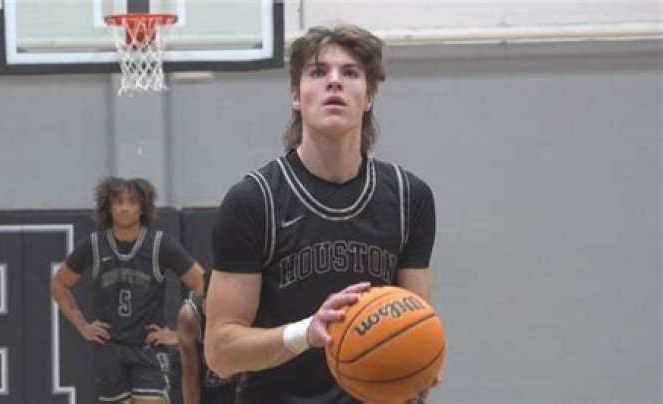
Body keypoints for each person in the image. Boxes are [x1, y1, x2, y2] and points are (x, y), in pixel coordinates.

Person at [205, 24, 439, 404]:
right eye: (318, 72)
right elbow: (220, 351)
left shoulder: (410, 198)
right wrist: (307, 332)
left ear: (368, 97)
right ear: (296, 96)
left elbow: (415, 319)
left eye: (350, 73)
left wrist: (416, 365)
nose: (334, 81)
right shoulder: (253, 200)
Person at [50, 177, 204, 404]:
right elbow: (58, 284)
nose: (124, 207)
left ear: (142, 207)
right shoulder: (94, 245)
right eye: (118, 201)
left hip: (149, 348)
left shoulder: (159, 244)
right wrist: (83, 326)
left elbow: (203, 283)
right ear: (108, 207)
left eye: (132, 202)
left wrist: (177, 334)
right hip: (111, 348)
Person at [176, 269, 237, 404]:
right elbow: (190, 377)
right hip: (203, 384)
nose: (216, 312)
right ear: (204, 297)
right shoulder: (189, 318)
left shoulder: (244, 312)